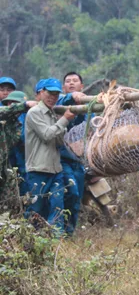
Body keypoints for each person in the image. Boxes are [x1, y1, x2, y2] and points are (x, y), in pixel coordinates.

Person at [25, 78, 75, 233]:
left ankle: (56, 241)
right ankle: (31, 240)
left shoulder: (53, 114)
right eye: (50, 93)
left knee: (58, 206)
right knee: (36, 209)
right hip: (38, 170)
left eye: (56, 94)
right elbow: (47, 135)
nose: (53, 97)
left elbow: (59, 140)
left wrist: (62, 123)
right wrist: (65, 120)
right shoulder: (35, 113)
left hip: (55, 170)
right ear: (41, 93)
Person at [56, 72, 86, 235]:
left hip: (79, 161)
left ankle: (69, 234)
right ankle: (60, 232)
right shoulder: (59, 102)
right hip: (63, 159)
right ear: (63, 87)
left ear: (82, 85)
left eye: (75, 81)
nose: (71, 83)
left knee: (77, 199)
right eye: (68, 81)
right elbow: (65, 100)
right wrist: (73, 96)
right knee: (70, 193)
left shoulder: (88, 106)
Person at [2, 91, 29, 195]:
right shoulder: (4, 118)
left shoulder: (27, 117)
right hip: (8, 160)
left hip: (25, 159)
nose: (12, 105)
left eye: (15, 103)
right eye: (9, 103)